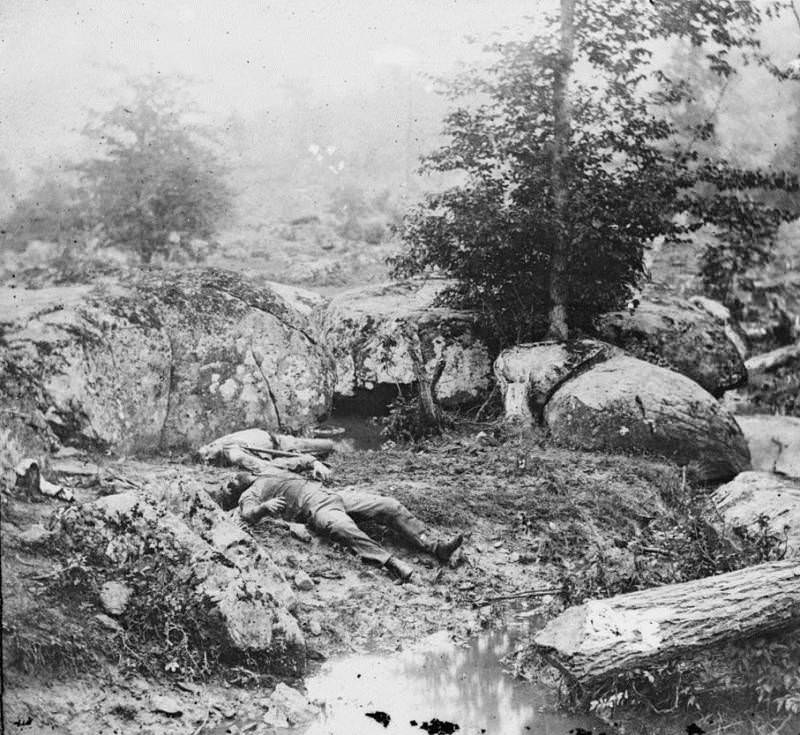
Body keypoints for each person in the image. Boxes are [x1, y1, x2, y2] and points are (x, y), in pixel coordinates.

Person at [198, 429, 463, 582]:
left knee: (389, 505)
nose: (232, 481)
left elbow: (299, 461)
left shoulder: (267, 469)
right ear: (235, 495)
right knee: (342, 527)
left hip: (334, 494)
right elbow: (248, 514)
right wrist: (265, 508)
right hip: (318, 510)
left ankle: (435, 547)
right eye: (229, 488)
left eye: (230, 480)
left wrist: (315, 464)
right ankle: (393, 563)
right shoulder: (251, 494)